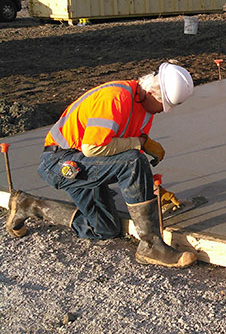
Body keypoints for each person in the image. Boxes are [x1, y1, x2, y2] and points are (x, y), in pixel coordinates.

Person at [5, 63, 197, 268]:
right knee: (133, 160)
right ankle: (151, 245)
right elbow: (93, 148)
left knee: (106, 229)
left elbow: (120, 154)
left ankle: (29, 205)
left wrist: (149, 188)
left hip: (86, 163)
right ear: (151, 92)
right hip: (60, 162)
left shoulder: (144, 109)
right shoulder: (116, 98)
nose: (164, 111)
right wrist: (139, 143)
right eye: (164, 104)